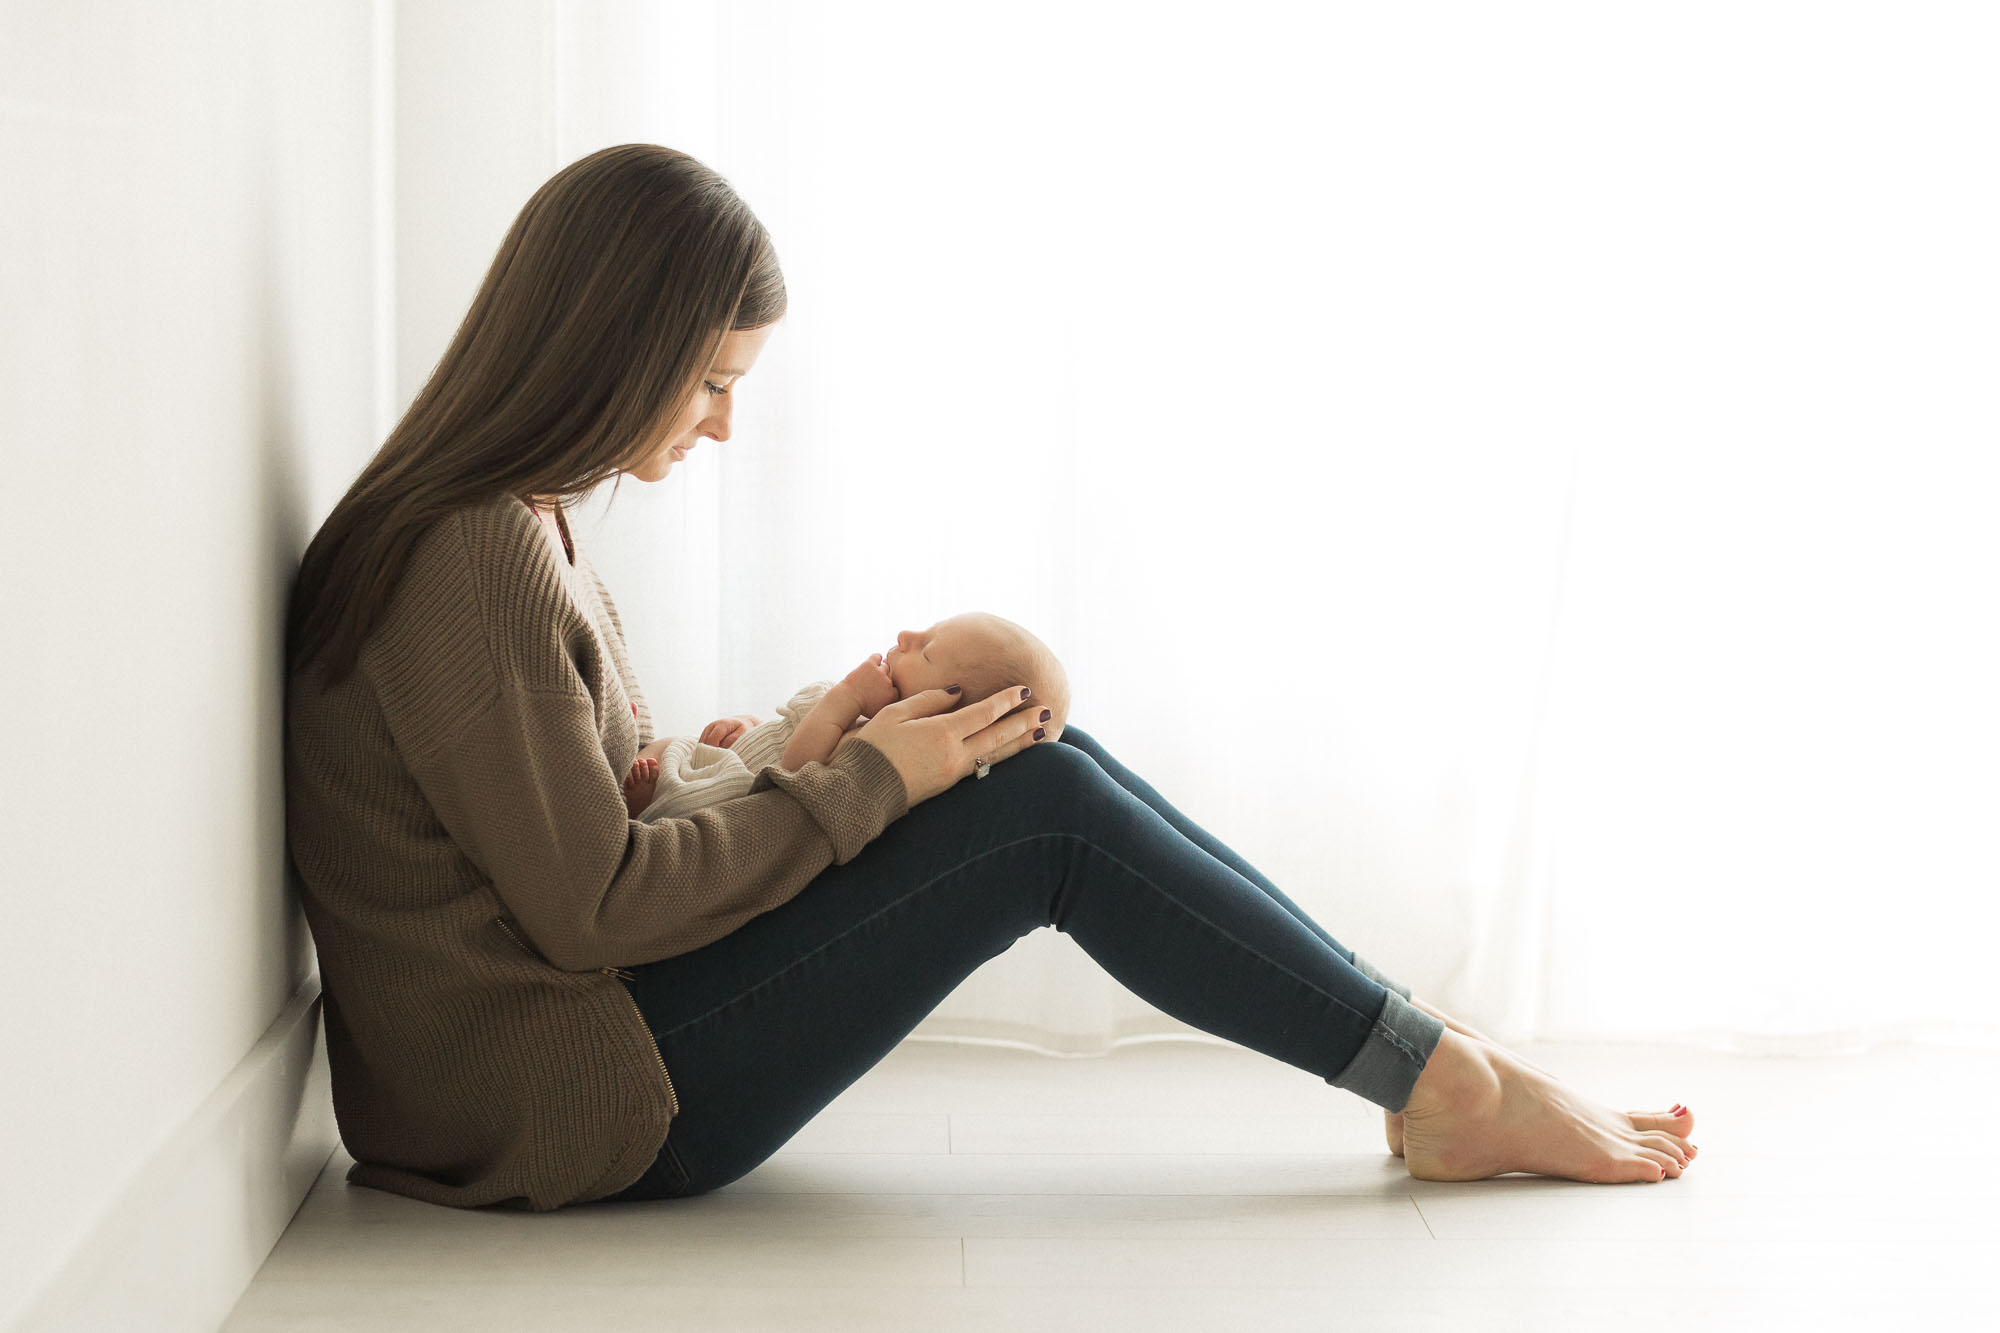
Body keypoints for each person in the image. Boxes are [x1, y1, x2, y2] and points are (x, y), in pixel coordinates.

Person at [282, 143, 1698, 1213]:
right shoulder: (472, 552)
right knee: (1042, 822)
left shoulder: (512, 521)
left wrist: (824, 741)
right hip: (558, 1099)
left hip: (542, 1058)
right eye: (710, 382)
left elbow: (614, 822)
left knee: (1042, 776)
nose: (721, 428)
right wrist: (860, 783)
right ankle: (1447, 1080)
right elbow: (594, 910)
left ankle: (1427, 1053)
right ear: (611, 349)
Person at [618, 612, 1070, 820]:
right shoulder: (863, 723)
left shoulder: (868, 747)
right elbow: (782, 737)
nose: (905, 634)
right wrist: (748, 728)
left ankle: (646, 804)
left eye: (926, 651)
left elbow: (792, 773)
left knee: (699, 796)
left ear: (943, 712)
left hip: (732, 806)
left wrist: (849, 695)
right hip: (726, 763)